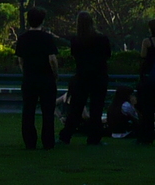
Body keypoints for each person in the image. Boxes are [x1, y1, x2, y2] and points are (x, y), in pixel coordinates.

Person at [60, 12, 111, 146]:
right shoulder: (101, 39)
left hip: (82, 76)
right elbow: (107, 55)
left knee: (76, 108)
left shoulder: (76, 40)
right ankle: (94, 138)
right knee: (97, 108)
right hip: (99, 76)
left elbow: (74, 56)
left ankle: (66, 135)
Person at [13, 8, 60, 149]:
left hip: (29, 78)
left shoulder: (22, 38)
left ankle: (29, 141)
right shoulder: (47, 38)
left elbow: (20, 60)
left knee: (28, 111)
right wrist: (55, 75)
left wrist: (26, 72)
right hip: (46, 78)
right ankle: (48, 141)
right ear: (42, 20)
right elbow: (52, 59)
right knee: (48, 111)